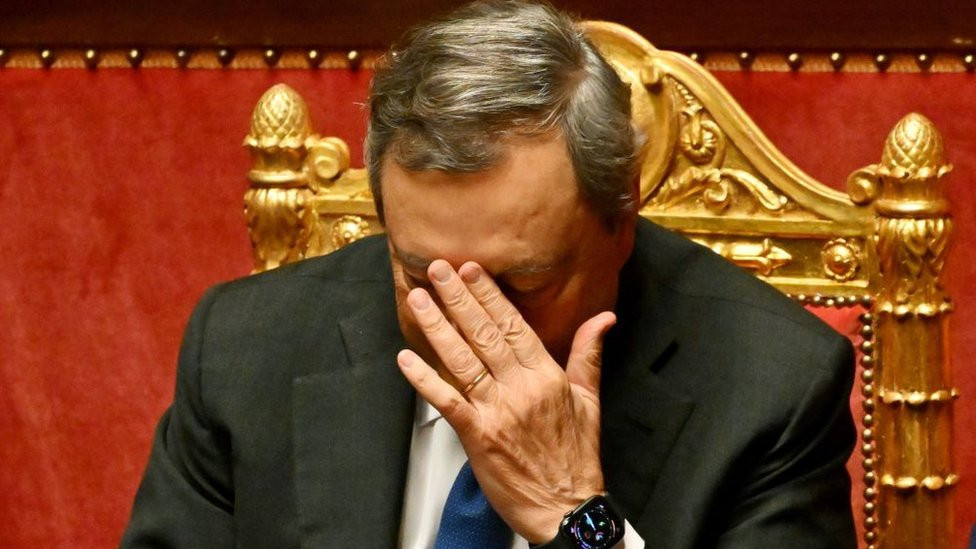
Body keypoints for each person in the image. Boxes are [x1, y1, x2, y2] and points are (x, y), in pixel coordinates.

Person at [122, 1, 856, 547]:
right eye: (423, 276)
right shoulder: (245, 347)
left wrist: (576, 517)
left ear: (622, 213)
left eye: (523, 283)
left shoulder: (771, 389)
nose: (471, 320)